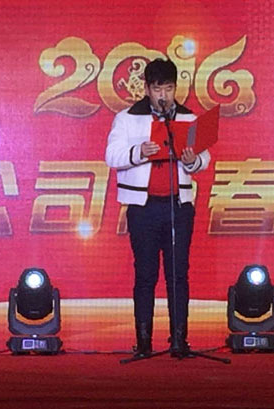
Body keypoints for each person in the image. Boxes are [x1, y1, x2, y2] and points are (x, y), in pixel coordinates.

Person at [104, 58, 211, 358]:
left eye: (169, 88)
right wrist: (139, 152)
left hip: (179, 206)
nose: (163, 95)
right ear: (147, 89)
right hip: (144, 208)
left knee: (178, 274)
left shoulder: (188, 118)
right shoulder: (127, 118)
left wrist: (192, 160)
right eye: (157, 89)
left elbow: (204, 157)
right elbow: (111, 155)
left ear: (176, 88)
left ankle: (179, 340)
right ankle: (143, 342)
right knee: (145, 274)